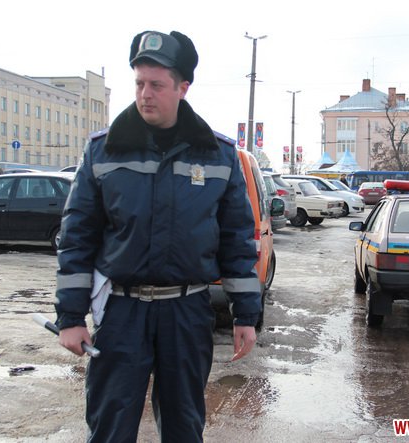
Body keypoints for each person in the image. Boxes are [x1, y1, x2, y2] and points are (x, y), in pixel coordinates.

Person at [54, 29, 260, 442]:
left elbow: (237, 240)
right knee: (110, 427)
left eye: (157, 85)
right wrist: (71, 318)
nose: (145, 94)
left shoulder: (217, 155)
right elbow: (77, 237)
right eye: (139, 84)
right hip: (121, 312)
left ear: (183, 87)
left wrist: (246, 315)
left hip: (187, 312)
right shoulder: (104, 151)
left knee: (184, 426)